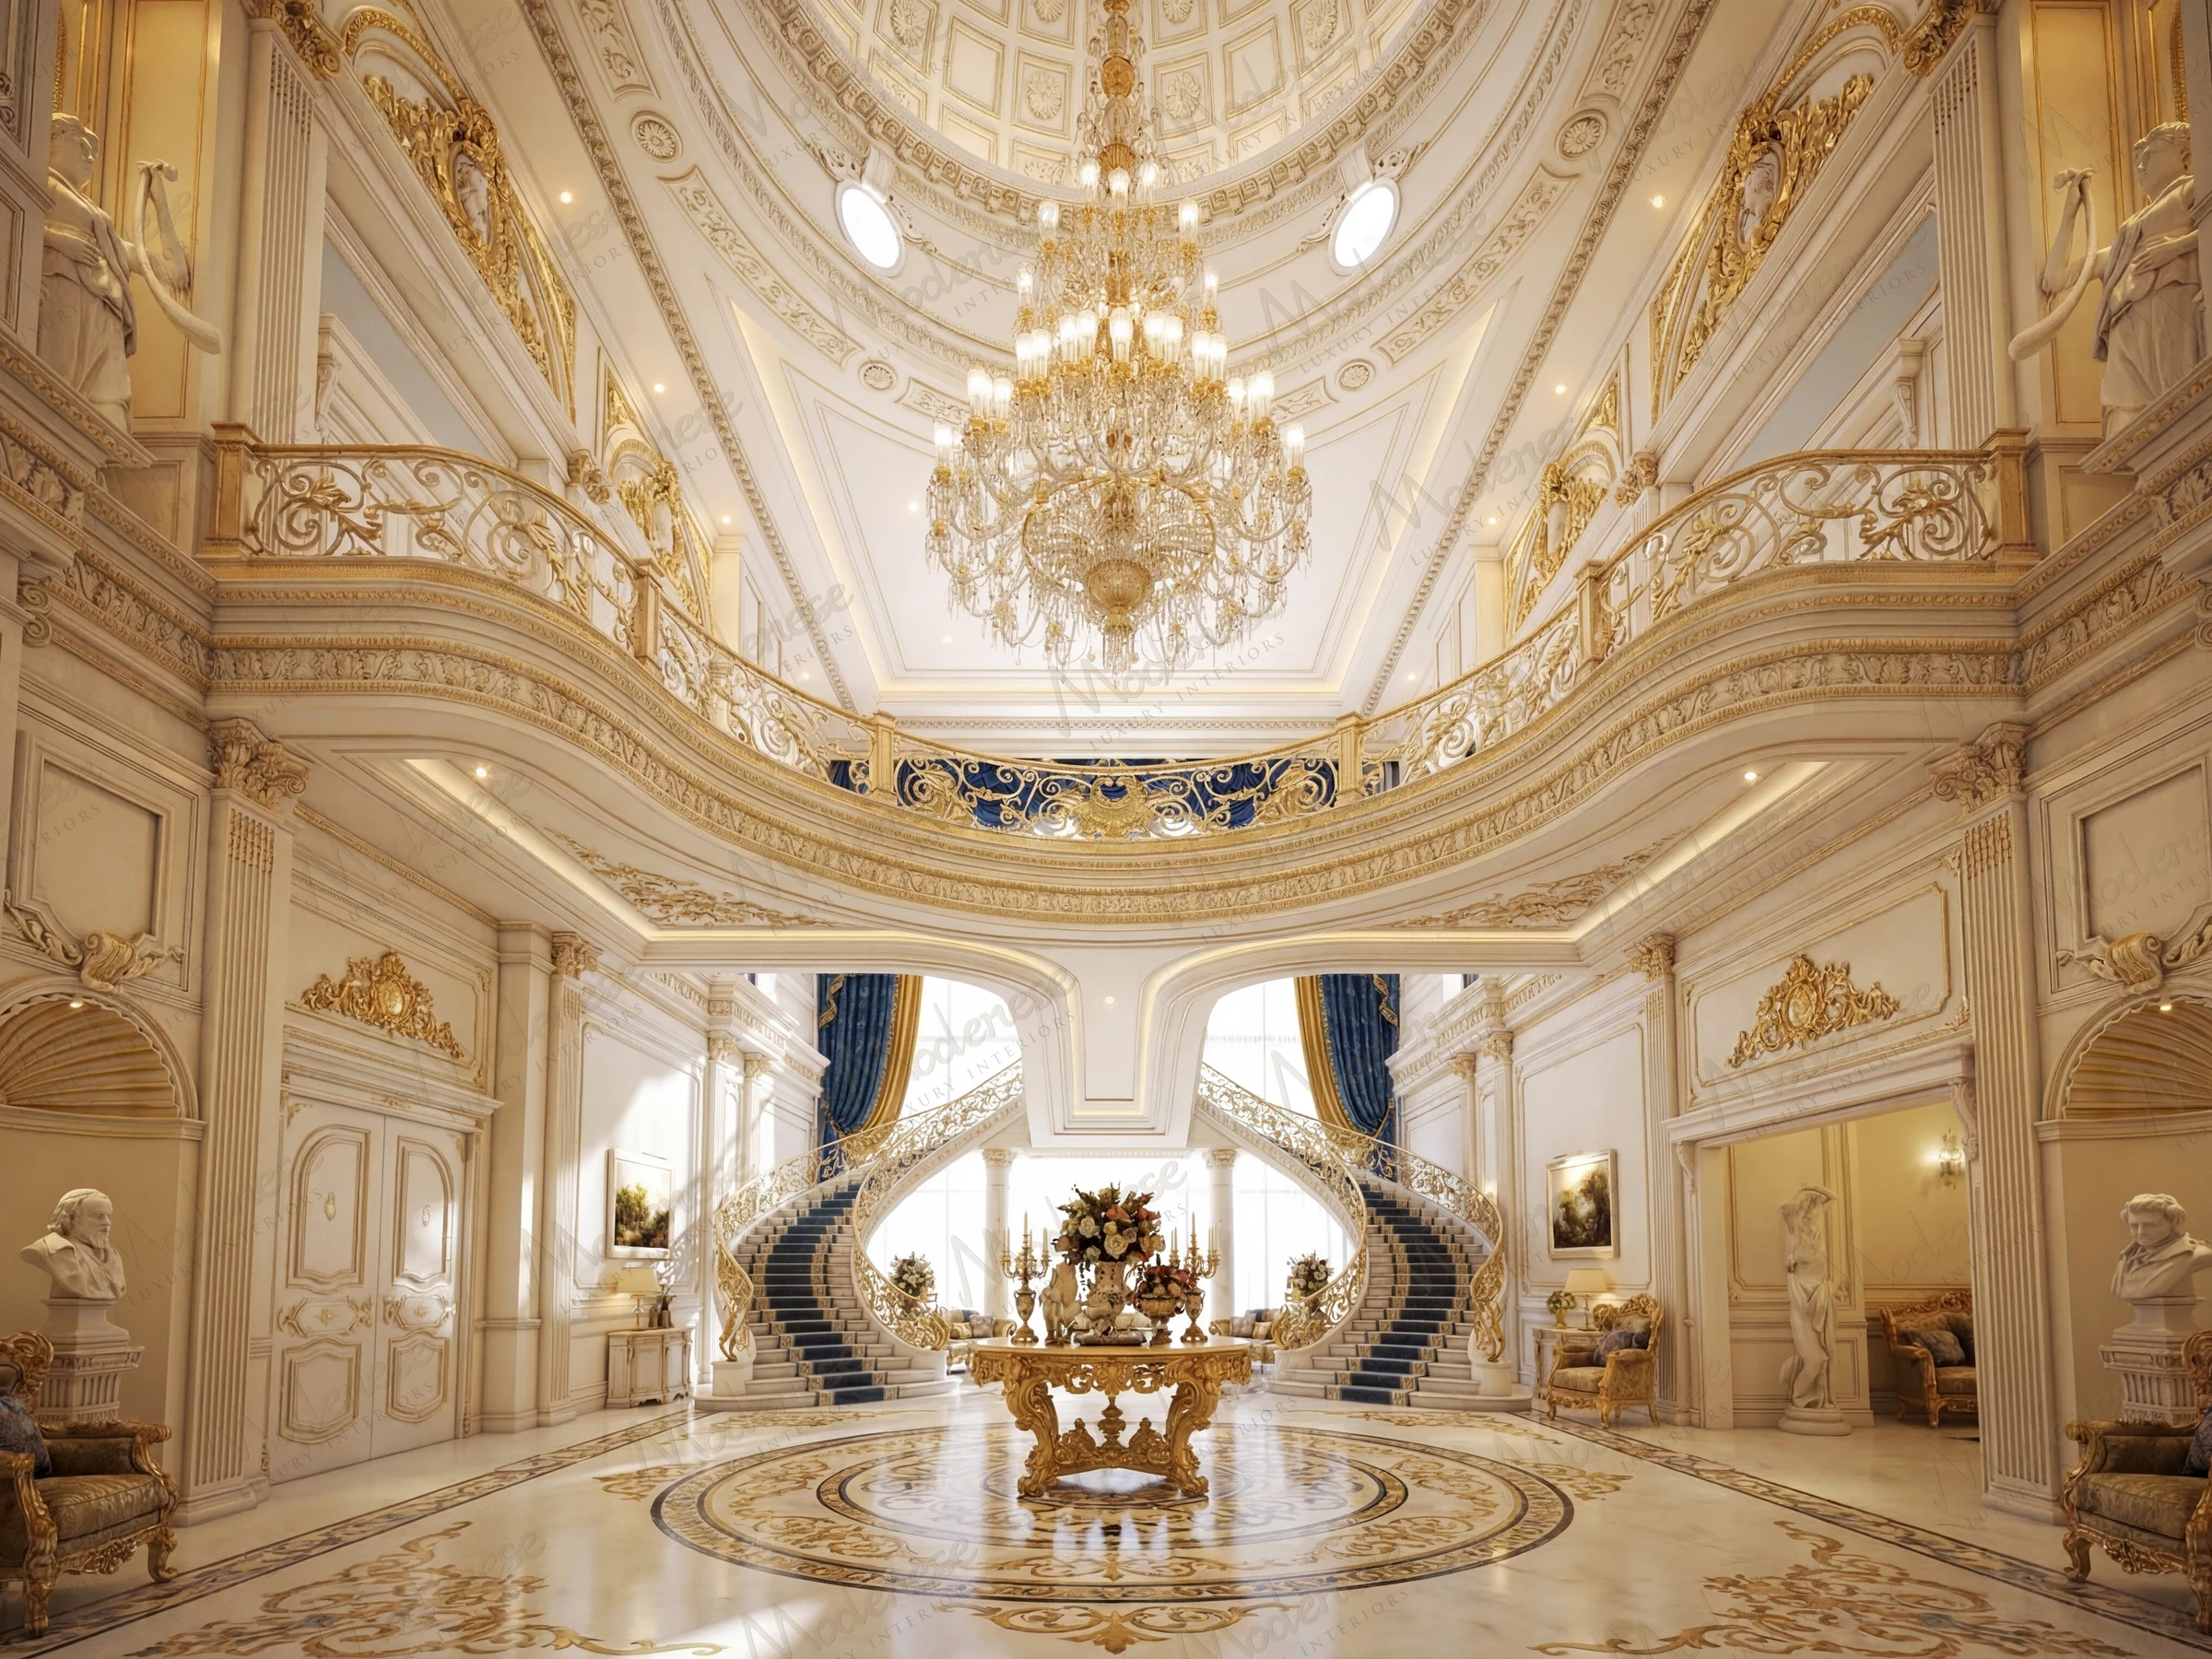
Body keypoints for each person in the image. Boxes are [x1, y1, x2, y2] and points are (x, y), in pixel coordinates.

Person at [2012, 123, 2201, 435]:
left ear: (2185, 156)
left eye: (2150, 155)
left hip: (2171, 312)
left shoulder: (2191, 190)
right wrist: (2071, 211)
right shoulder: (2125, 239)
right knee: (2126, 428)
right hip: (2126, 332)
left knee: (2179, 416)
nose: (2141, 165)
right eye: (2138, 158)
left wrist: (2176, 248)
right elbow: (2055, 280)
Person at [18, 1188, 127, 1300]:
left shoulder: (111, 1256)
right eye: (98, 1216)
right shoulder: (52, 1249)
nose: (107, 1223)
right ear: (71, 1218)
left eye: (108, 1216)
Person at [2112, 1194, 2212, 1302]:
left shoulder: (2196, 1255)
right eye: (2134, 1226)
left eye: (2150, 1225)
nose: (2141, 1233)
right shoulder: (2127, 1258)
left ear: (2172, 1223)